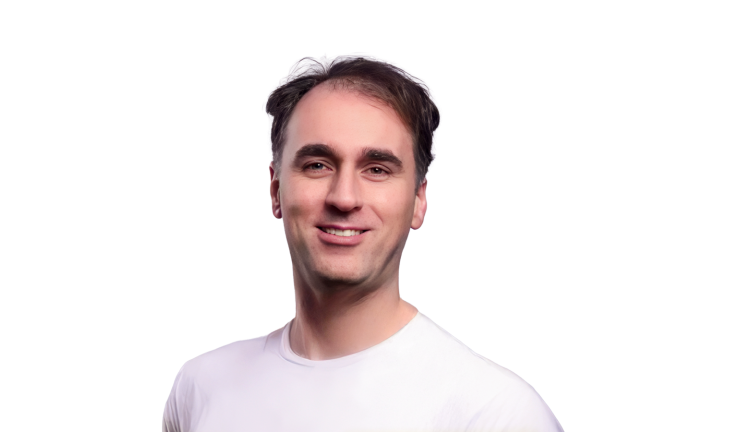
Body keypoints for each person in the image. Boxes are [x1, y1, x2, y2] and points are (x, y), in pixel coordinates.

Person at [161, 52, 565, 432]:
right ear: (275, 189)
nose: (344, 198)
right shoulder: (200, 387)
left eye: (377, 169)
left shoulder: (496, 413)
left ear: (419, 200)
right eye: (317, 165)